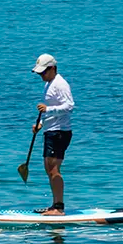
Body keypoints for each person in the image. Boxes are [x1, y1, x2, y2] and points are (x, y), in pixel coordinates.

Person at [32, 53, 75, 214]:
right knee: (48, 168)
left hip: (60, 132)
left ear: (53, 68)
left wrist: (48, 109)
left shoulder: (60, 84)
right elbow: (51, 110)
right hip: (51, 130)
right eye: (39, 73)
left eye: (43, 72)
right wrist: (41, 124)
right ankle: (54, 204)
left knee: (54, 168)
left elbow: (69, 106)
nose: (41, 75)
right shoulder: (49, 84)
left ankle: (59, 208)